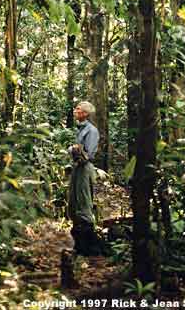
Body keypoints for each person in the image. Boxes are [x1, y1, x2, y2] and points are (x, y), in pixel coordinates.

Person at [67, 101, 101, 256]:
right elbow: (76, 149)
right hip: (77, 167)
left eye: (78, 109)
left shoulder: (91, 130)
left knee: (84, 201)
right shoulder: (81, 129)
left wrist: (75, 150)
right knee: (74, 201)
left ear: (85, 113)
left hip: (84, 168)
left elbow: (88, 154)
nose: (75, 111)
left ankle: (88, 245)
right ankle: (78, 244)